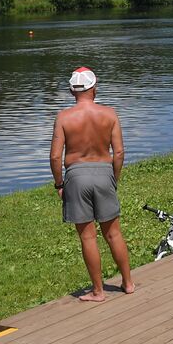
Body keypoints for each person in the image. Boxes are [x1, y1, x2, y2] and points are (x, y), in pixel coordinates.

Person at [51, 67, 134, 303]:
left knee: (88, 238)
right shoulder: (109, 114)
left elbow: (56, 156)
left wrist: (59, 183)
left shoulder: (64, 117)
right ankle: (128, 283)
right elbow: (118, 152)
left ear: (71, 91)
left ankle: (98, 291)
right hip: (104, 172)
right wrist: (113, 178)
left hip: (76, 175)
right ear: (94, 89)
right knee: (113, 233)